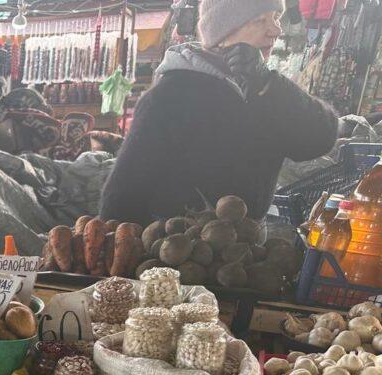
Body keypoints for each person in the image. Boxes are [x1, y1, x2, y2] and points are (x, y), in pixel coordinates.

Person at [99, 0, 338, 226]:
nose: (275, 30)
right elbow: (123, 195)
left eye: (275, 18)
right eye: (260, 20)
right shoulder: (170, 96)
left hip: (245, 252)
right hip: (176, 253)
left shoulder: (265, 91)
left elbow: (320, 139)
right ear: (224, 32)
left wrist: (267, 83)